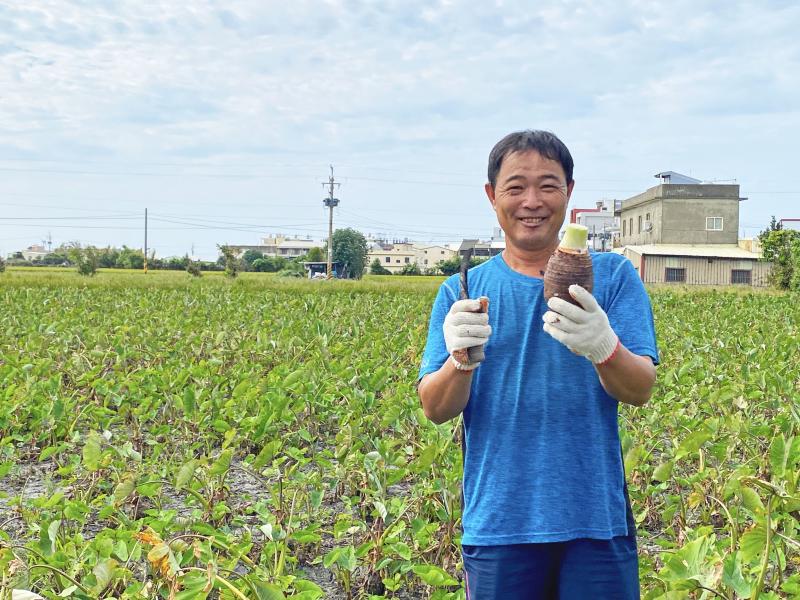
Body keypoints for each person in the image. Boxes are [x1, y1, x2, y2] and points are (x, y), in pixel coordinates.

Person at [417, 130, 659, 599]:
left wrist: (603, 346)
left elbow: (640, 389)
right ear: (492, 196)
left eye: (548, 185)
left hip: (594, 519)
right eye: (515, 187)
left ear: (569, 193)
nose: (532, 200)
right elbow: (435, 408)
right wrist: (459, 362)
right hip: (499, 522)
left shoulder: (611, 277)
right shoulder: (462, 290)